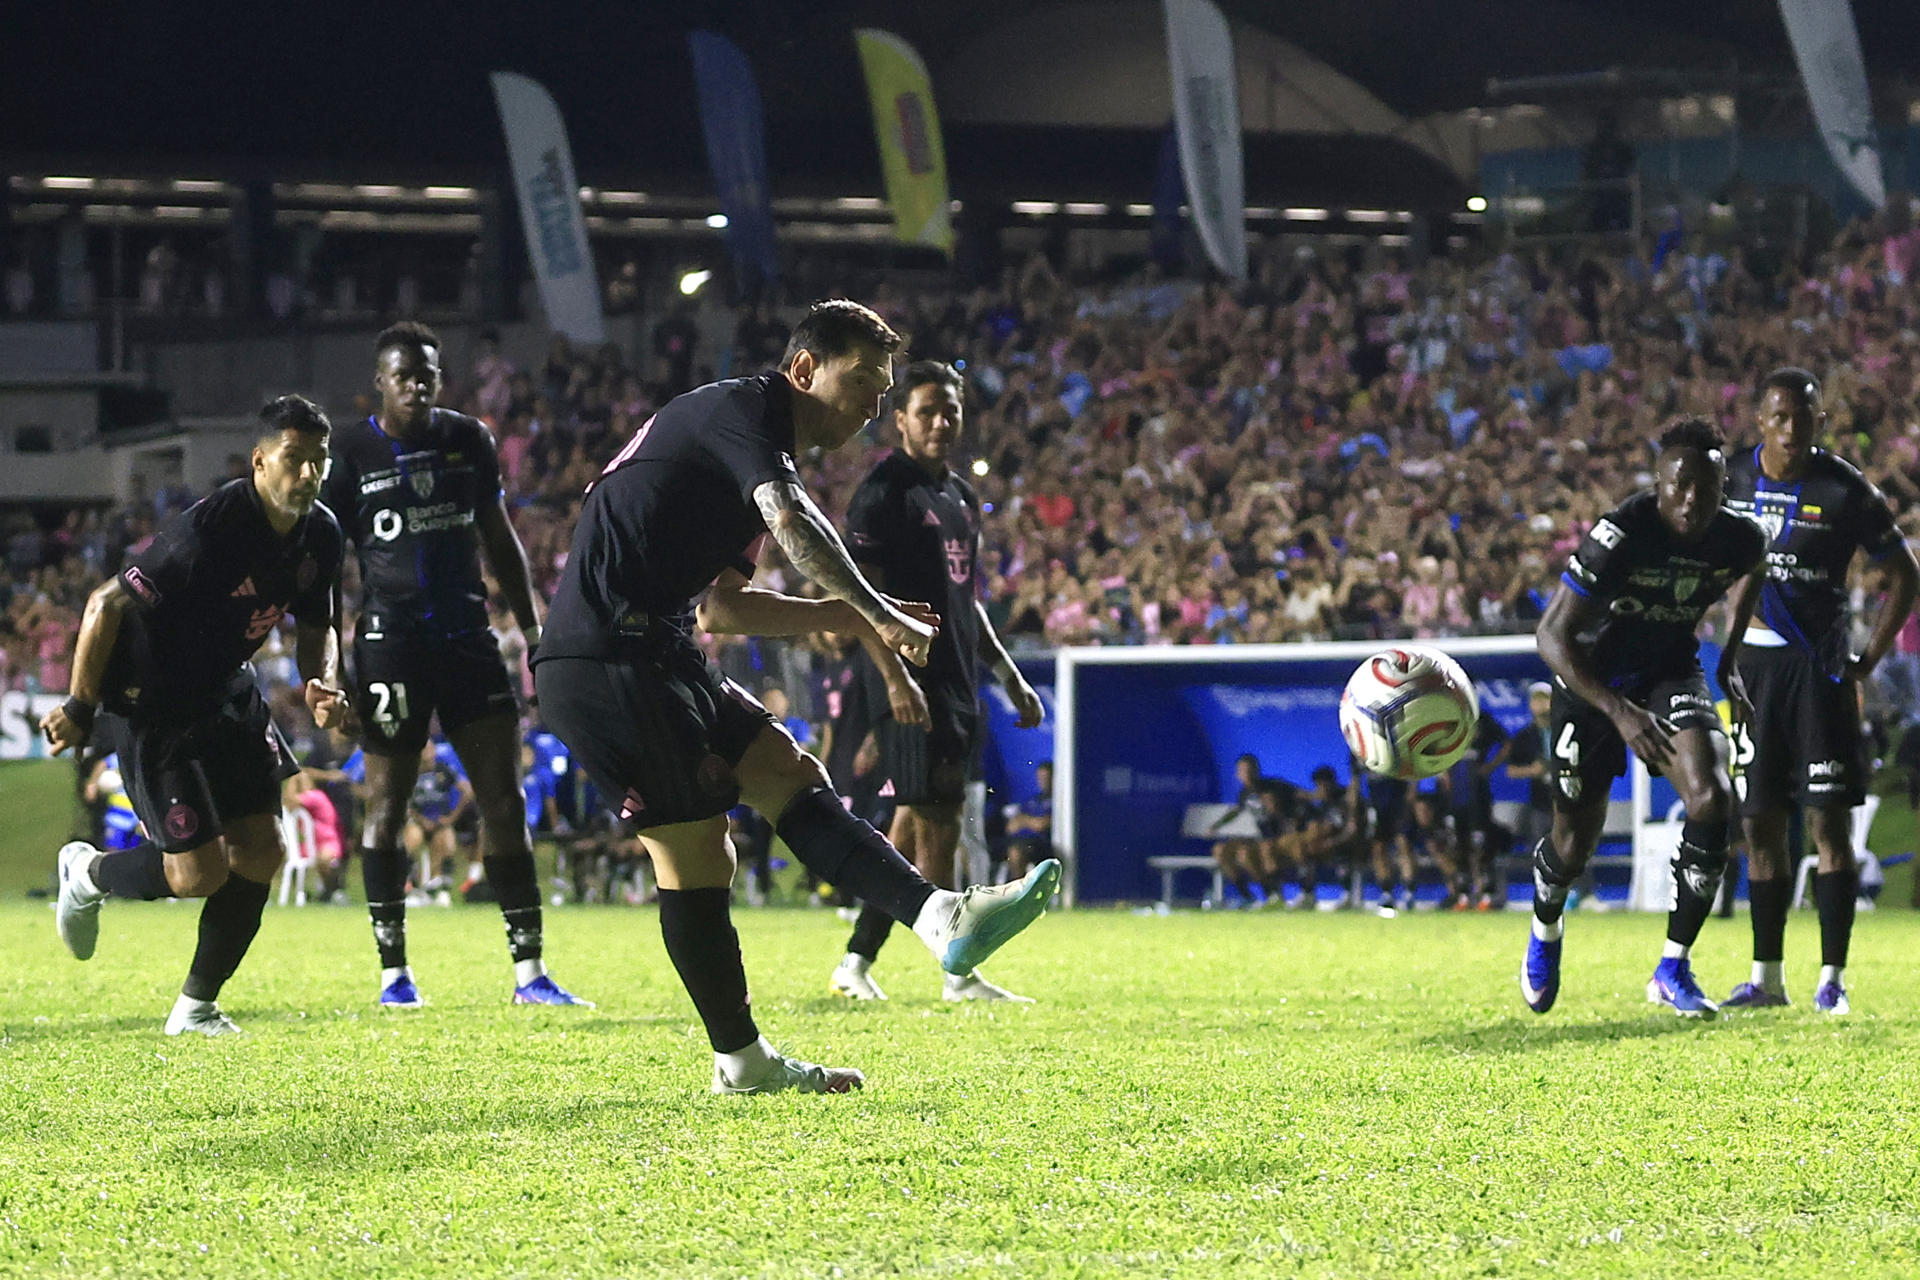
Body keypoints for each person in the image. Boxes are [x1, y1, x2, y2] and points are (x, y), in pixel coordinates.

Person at [532, 300, 1061, 1095]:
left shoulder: (746, 448)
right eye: (862, 383)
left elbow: (725, 608)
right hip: (607, 656)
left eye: (883, 394)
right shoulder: (744, 413)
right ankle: (743, 1061)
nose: (871, 407)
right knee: (697, 853)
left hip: (661, 646)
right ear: (805, 369)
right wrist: (877, 612)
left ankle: (937, 918)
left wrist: (849, 618)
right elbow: (791, 518)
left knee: (787, 772)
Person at [44, 395, 349, 1035]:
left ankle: (196, 1008)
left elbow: (319, 623)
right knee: (198, 873)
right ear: (261, 462)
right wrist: (79, 705)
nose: (309, 474)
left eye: (319, 461)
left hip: (227, 693)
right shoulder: (211, 528)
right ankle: (87, 872)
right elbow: (105, 604)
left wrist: (322, 680)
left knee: (263, 850)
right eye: (295, 460)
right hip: (153, 705)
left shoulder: (321, 532)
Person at [322, 321, 587, 1009]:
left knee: (503, 800)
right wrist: (332, 661)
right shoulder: (349, 452)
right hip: (391, 644)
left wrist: (532, 631)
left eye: (428, 374)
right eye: (404, 374)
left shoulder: (467, 439)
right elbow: (322, 567)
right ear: (379, 382)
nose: (417, 384)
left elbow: (499, 539)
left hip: (469, 639)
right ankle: (394, 977)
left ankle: (530, 974)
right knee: (388, 804)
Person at [1521, 416, 1766, 1020]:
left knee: (1712, 797)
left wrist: (1730, 657)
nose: (1690, 500)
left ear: (1722, 489)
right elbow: (1551, 637)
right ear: (1657, 484)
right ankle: (1546, 927)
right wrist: (1617, 710)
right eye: (1678, 486)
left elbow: (1753, 571)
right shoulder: (1620, 534)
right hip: (1591, 680)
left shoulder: (1741, 537)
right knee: (1573, 843)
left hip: (1670, 671)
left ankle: (1673, 967)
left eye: (1705, 488)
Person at [828, 361, 1048, 1004]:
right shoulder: (882, 495)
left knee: (910, 824)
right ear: (900, 419)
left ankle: (855, 962)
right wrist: (894, 678)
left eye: (950, 410)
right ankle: (957, 971)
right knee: (938, 823)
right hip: (907, 680)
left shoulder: (957, 495)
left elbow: (966, 597)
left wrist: (1008, 675)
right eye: (927, 411)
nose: (941, 422)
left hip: (952, 678)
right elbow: (857, 600)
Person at [1717, 368, 1917, 1014]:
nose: (1792, 430)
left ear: (1819, 423)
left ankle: (1832, 978)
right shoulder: (1731, 480)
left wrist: (1868, 658)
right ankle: (1767, 978)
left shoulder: (1844, 489)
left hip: (1820, 672)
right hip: (1752, 673)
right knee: (1761, 825)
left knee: (1828, 822)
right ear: (1761, 423)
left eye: (1804, 419)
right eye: (1780, 418)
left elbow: (1903, 574)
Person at [1004, 760, 1055, 880]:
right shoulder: (1032, 801)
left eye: (1047, 777)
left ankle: (1019, 893)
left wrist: (1024, 821)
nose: (1043, 781)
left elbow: (1042, 824)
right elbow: (1011, 826)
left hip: (1041, 844)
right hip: (1019, 839)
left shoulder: (1057, 800)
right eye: (1041, 777)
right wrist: (1029, 821)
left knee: (1015, 853)